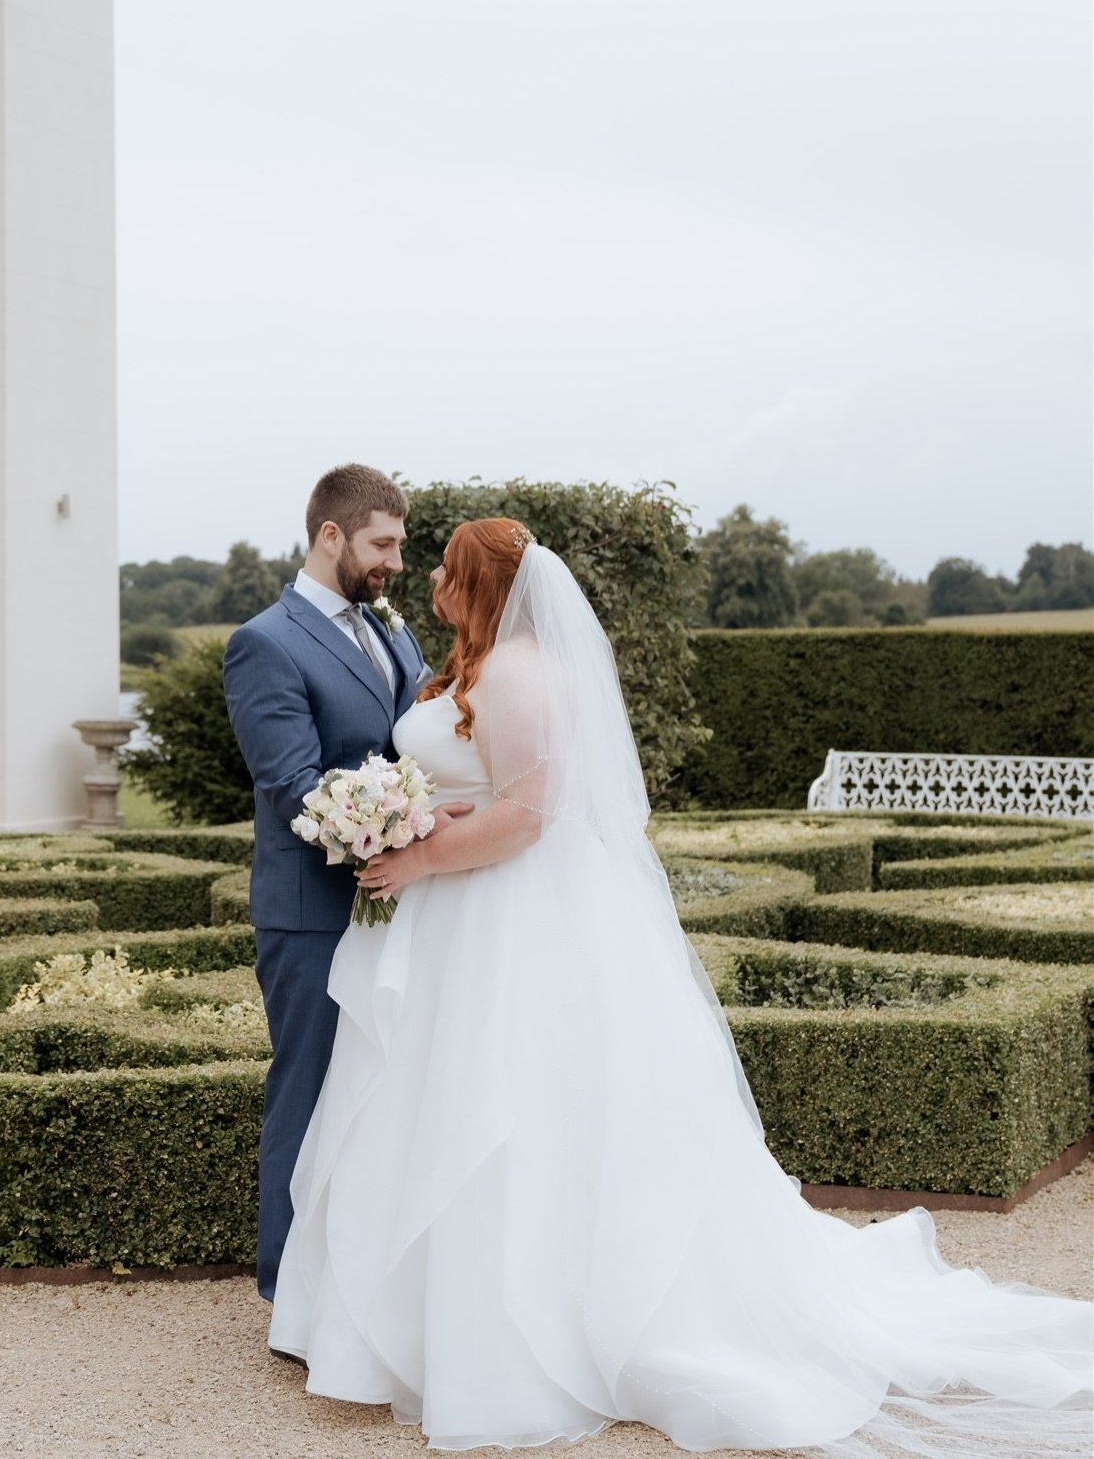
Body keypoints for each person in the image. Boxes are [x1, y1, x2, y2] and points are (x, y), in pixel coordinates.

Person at [266, 517, 1093, 1457]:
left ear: (480, 584)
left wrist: (419, 859)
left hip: (504, 922)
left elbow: (532, 814)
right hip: (461, 922)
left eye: (448, 572)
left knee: (509, 1107)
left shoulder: (523, 672)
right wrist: (422, 816)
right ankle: (412, 1316)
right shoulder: (475, 665)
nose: (433, 587)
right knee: (437, 1106)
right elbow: (491, 787)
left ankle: (520, 1330)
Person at [222, 465, 463, 1303]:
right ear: (332, 536)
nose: (397, 561)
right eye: (383, 544)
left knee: (378, 1093)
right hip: (313, 911)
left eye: (399, 544)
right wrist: (408, 827)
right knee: (310, 1088)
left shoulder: (388, 626)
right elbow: (292, 783)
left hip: (401, 902)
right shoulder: (266, 641)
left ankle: (362, 1280)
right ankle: (287, 1286)